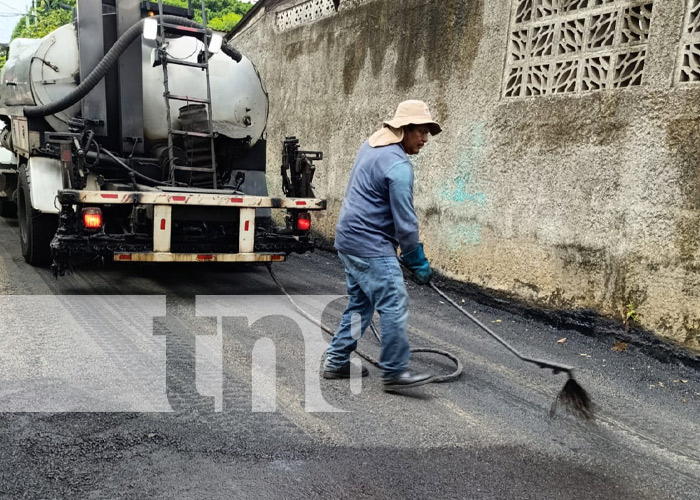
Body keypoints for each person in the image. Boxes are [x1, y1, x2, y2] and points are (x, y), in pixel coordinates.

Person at [323, 100, 440, 391]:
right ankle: (395, 373)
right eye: (422, 131)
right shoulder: (399, 165)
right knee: (394, 302)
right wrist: (416, 259)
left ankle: (336, 361)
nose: (425, 139)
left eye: (427, 132)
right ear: (404, 129)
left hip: (349, 240)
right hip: (369, 244)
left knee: (361, 304)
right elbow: (406, 222)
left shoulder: (372, 146)